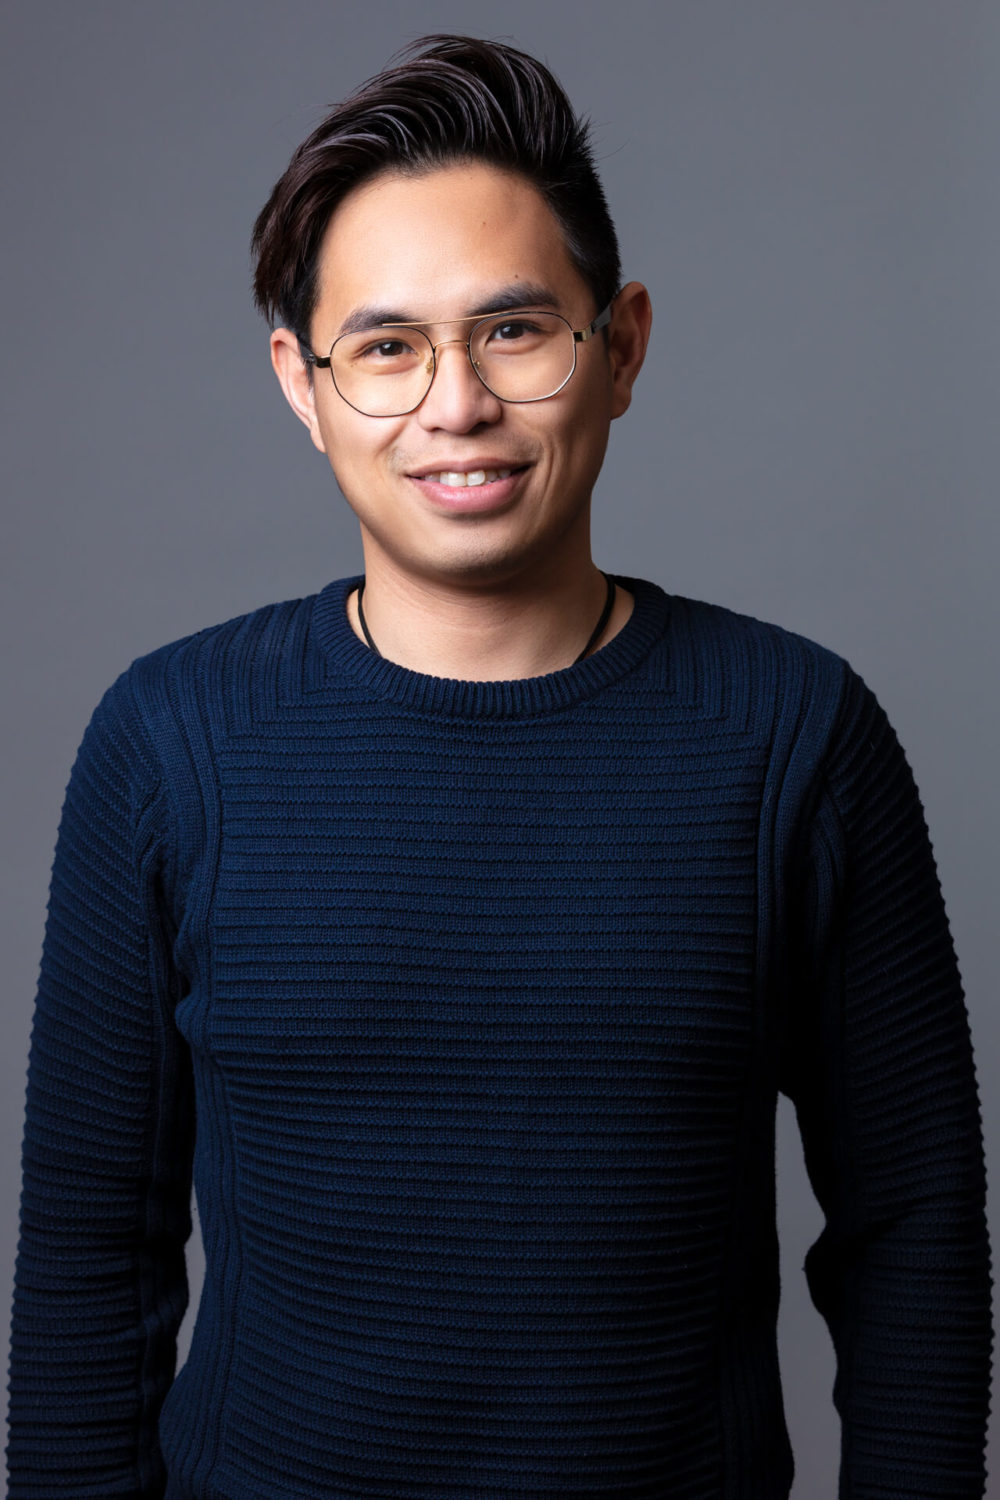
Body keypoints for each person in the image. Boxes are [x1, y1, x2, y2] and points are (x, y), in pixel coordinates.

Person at [7, 32, 991, 1500]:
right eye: (387, 347)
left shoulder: (797, 737)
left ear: (623, 347)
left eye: (516, 331)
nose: (454, 403)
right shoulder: (169, 742)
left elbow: (914, 1229)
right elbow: (92, 1249)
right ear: (304, 381)